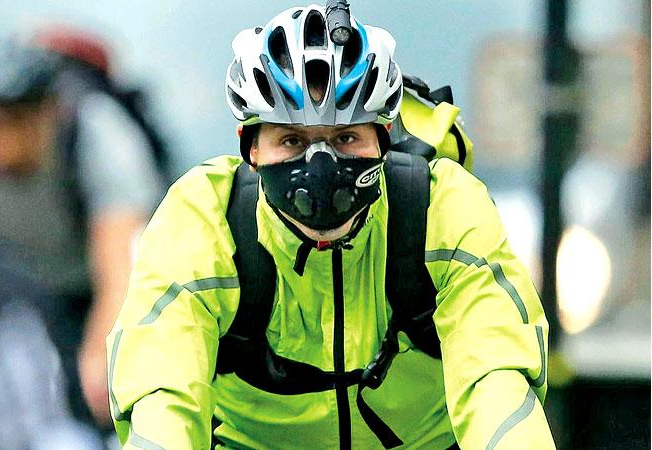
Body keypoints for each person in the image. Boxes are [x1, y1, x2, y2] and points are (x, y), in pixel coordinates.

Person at [107, 4, 554, 450]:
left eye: (345, 138)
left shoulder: (443, 206)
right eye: (291, 140)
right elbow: (163, 391)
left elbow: (496, 380)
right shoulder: (205, 218)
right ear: (251, 149)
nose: (319, 164)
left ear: (384, 140)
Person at [0, 38, 164, 447]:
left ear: (50, 110)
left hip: (78, 298)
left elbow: (119, 260)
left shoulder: (97, 136)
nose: (5, 137)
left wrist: (102, 358)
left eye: (19, 119)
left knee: (93, 395)